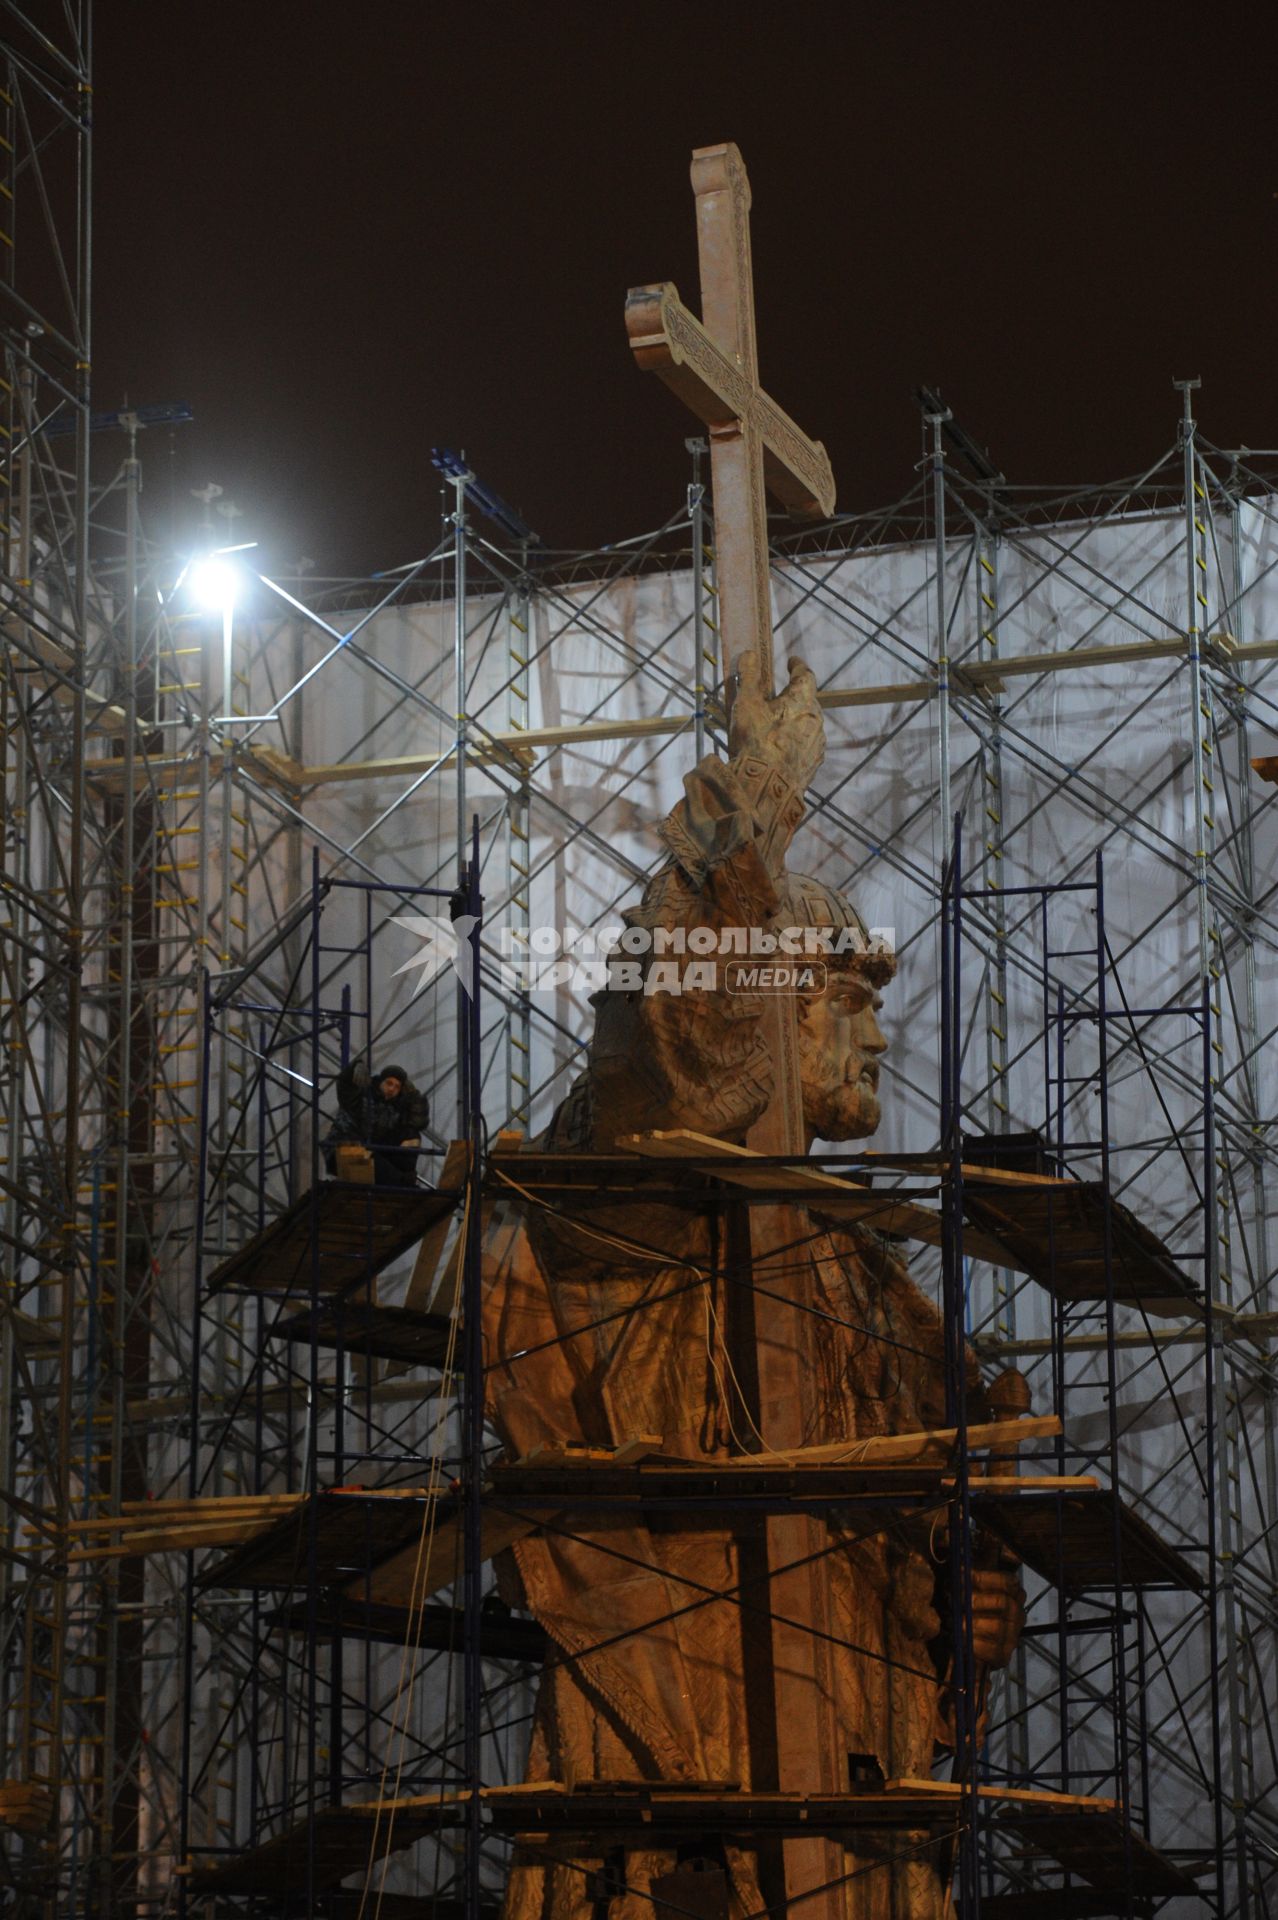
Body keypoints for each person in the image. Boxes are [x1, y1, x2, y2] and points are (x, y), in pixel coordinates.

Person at [482, 655, 1025, 1920]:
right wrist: (758, 805)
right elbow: (672, 1040)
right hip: (700, 1720)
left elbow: (927, 1531)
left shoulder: (851, 1264)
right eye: (845, 996)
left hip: (858, 1750)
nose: (876, 1033)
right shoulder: (649, 1194)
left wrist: (965, 1604)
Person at [323, 1060, 429, 1188]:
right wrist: (353, 1068)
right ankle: (402, 1182)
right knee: (376, 1162)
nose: (392, 1089)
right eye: (389, 1083)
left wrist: (413, 1096)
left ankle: (403, 1178)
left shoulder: (395, 1108)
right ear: (380, 1082)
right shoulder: (362, 1095)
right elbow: (345, 1087)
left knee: (411, 1135)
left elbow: (418, 1123)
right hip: (345, 1148)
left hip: (373, 1151)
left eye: (397, 1087)